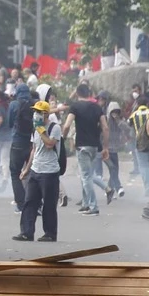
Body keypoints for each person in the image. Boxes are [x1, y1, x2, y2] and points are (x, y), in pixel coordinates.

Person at [12, 100, 62, 242]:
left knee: (49, 204)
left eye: (39, 112)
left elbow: (49, 144)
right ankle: (27, 232)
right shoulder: (35, 128)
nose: (36, 115)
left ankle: (50, 233)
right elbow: (34, 149)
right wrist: (27, 169)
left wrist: (41, 130)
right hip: (36, 169)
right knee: (30, 202)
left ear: (46, 114)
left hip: (49, 171)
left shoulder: (54, 128)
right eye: (35, 112)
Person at [63, 83, 111, 215]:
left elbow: (67, 125)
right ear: (89, 94)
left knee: (86, 177)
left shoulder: (75, 107)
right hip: (95, 146)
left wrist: (63, 138)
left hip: (82, 145)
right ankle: (85, 203)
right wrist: (106, 146)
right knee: (88, 174)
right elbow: (105, 127)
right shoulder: (96, 107)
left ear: (78, 94)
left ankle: (93, 206)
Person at [7, 84, 36, 213]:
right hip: (32, 143)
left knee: (15, 173)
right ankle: (35, 203)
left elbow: (9, 123)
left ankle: (20, 204)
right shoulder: (35, 104)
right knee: (31, 173)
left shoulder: (14, 105)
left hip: (17, 143)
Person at [129, 97, 149, 196]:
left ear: (137, 103)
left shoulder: (134, 114)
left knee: (143, 165)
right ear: (147, 103)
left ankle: (148, 187)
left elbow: (129, 125)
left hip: (139, 141)